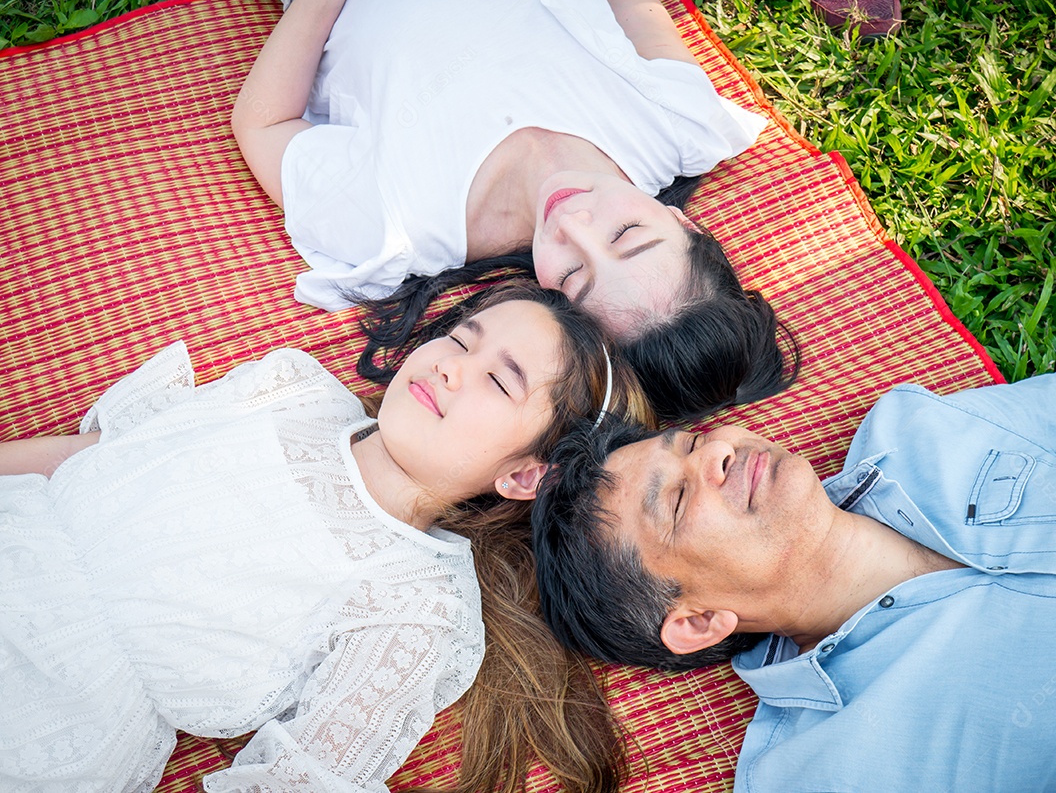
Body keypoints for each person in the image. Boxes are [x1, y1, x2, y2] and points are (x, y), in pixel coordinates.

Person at [0, 283, 652, 793]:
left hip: (49, 712)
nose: (453, 367)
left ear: (524, 473)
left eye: (500, 379)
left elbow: (299, 777)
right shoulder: (290, 390)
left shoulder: (415, 607)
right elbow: (90, 459)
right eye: (459, 338)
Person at [232, 0, 800, 421]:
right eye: (626, 235)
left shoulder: (400, 227)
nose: (574, 224)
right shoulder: (676, 126)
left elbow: (264, 124)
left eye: (575, 274)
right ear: (684, 223)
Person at [531, 367, 1056, 791]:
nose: (720, 450)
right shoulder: (826, 769)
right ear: (698, 621)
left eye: (693, 443)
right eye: (676, 499)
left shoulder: (916, 430)